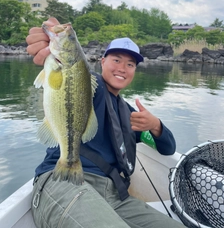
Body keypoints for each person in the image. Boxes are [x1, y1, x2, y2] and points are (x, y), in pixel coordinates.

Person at [26, 17, 185, 228]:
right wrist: (50, 39)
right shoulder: (88, 83)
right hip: (63, 181)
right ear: (102, 62)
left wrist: (155, 125)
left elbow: (168, 149)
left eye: (130, 64)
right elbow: (70, 68)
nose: (122, 68)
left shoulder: (128, 114)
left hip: (115, 196)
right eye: (116, 60)